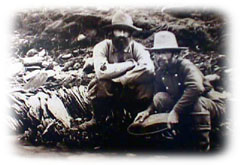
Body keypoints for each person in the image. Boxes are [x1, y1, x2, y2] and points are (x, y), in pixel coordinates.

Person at [134, 31, 227, 151]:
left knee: (196, 103)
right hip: (185, 107)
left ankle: (202, 146)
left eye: (165, 52)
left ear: (175, 54)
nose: (160, 57)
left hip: (211, 106)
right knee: (159, 98)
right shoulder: (161, 71)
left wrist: (176, 111)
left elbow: (196, 88)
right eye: (157, 53)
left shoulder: (185, 66)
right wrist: (147, 111)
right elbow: (157, 95)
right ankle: (179, 133)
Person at [78, 10, 155, 130]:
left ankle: (138, 118)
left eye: (126, 31)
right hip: (109, 93)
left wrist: (121, 79)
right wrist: (130, 64)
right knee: (101, 82)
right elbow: (101, 71)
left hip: (131, 92)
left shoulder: (138, 48)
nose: (122, 35)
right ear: (112, 32)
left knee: (147, 84)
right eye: (119, 30)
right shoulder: (102, 47)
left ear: (131, 34)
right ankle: (98, 119)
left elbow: (149, 69)